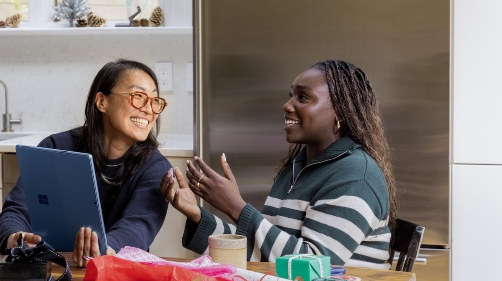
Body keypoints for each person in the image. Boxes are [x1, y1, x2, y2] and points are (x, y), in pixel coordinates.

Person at [160, 60, 397, 269]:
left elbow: (315, 268)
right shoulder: (299, 166)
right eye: (291, 95)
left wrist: (236, 207)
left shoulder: (355, 176)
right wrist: (197, 216)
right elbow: (267, 249)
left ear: (341, 112)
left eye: (303, 97)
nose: (287, 105)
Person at [0, 59, 172, 267]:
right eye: (138, 97)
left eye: (154, 101)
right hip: (50, 269)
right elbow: (17, 209)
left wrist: (105, 250)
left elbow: (138, 226)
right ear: (101, 101)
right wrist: (15, 238)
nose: (149, 109)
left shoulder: (156, 167)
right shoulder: (54, 147)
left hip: (114, 275)